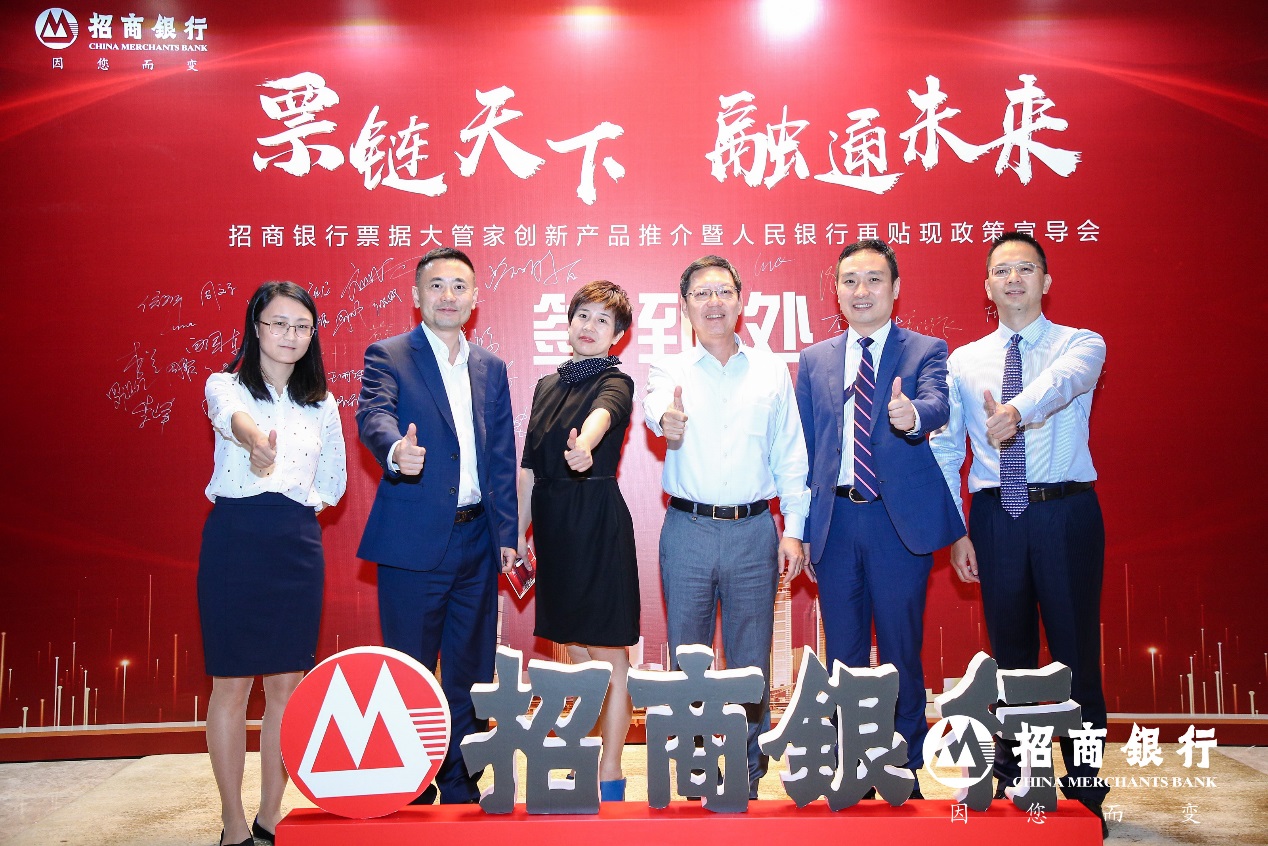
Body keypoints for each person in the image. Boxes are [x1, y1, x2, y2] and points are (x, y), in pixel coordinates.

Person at [929, 231, 1109, 834]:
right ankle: (1020, 782)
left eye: (1025, 269)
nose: (1013, 279)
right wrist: (956, 531)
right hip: (995, 516)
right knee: (1011, 660)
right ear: (987, 286)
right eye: (1002, 270)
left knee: (1075, 655)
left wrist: (1014, 412)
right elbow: (947, 449)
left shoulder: (1080, 343)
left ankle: (1085, 792)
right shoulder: (964, 360)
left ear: (1046, 281)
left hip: (1065, 513)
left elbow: (1063, 384)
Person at [794, 240, 965, 797]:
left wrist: (912, 414)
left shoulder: (925, 350)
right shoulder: (815, 360)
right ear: (836, 291)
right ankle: (852, 766)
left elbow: (937, 403)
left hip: (897, 525)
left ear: (895, 289)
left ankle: (904, 767)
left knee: (899, 652)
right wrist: (805, 528)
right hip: (837, 521)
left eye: (873, 279)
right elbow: (805, 448)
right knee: (843, 658)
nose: (861, 291)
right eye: (850, 281)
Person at [643, 255, 809, 801]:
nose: (713, 303)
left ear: (741, 300)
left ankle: (746, 772)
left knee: (750, 658)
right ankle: (694, 772)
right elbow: (654, 408)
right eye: (701, 293)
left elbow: (790, 454)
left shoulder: (770, 371)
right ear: (685, 305)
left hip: (754, 530)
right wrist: (665, 421)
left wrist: (794, 529)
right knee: (688, 656)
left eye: (723, 292)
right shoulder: (670, 368)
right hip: (687, 529)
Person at [356, 246, 518, 805]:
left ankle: (460, 782)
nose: (448, 296)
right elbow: (373, 413)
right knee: (411, 668)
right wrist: (394, 450)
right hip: (414, 539)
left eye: (459, 286)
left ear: (474, 298)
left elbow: (501, 456)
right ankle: (411, 784)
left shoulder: (491, 367)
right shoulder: (390, 354)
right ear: (417, 295)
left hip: (477, 539)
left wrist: (507, 536)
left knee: (471, 671)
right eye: (437, 285)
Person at [198, 281, 347, 846]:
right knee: (231, 685)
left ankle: (270, 815)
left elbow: (332, 481)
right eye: (279, 323)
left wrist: (297, 505)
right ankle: (233, 823)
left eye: (301, 326)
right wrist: (257, 442)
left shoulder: (323, 403)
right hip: (236, 538)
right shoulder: (225, 384)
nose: (290, 335)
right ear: (256, 328)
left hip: (296, 542)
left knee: (287, 683)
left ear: (312, 336)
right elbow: (232, 418)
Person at [517, 280, 640, 802]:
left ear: (617, 336)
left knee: (609, 657)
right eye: (582, 316)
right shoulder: (546, 385)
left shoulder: (617, 381)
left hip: (596, 522)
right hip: (554, 528)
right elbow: (528, 469)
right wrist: (517, 534)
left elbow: (602, 416)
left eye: (602, 321)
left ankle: (610, 771)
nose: (590, 327)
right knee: (575, 652)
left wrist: (585, 446)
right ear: (568, 323)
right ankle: (583, 756)